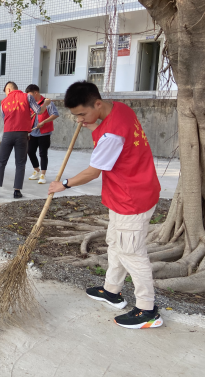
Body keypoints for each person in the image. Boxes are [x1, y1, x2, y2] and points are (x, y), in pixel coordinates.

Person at [49, 81, 163, 330]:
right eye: (75, 116)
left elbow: (92, 173)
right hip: (127, 192)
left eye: (82, 114)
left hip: (132, 199)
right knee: (116, 242)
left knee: (132, 252)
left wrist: (63, 184)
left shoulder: (112, 134)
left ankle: (147, 309)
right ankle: (112, 291)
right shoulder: (119, 108)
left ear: (97, 104)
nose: (79, 121)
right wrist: (91, 121)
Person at [0, 82, 51, 198]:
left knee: (1, 161)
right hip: (22, 135)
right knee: (20, 163)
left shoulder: (4, 102)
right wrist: (45, 104)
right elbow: (38, 111)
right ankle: (17, 191)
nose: (6, 93)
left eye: (6, 91)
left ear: (9, 89)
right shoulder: (27, 96)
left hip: (8, 134)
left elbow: (4, 118)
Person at [25, 84, 59, 185]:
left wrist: (44, 122)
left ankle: (43, 175)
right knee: (30, 151)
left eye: (30, 95)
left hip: (44, 133)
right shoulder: (31, 103)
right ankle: (37, 170)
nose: (29, 98)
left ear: (36, 93)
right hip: (33, 132)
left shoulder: (47, 102)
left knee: (43, 153)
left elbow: (55, 114)